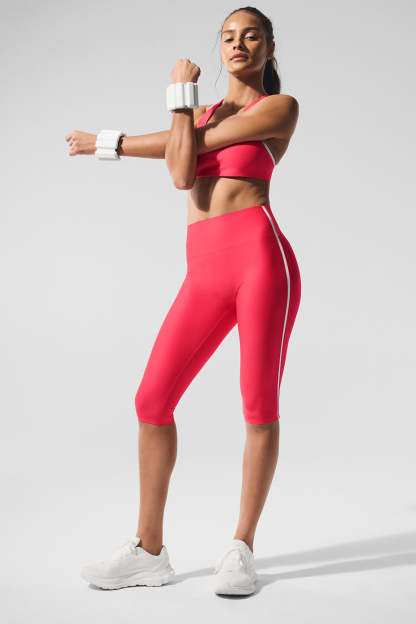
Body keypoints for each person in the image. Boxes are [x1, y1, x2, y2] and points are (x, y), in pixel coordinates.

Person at [66, 6, 301, 596]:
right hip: (204, 270)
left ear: (269, 47)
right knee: (152, 400)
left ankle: (241, 548)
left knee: (258, 404)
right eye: (229, 37)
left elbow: (192, 148)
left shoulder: (278, 107)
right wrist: (121, 136)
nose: (238, 44)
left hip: (260, 261)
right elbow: (179, 169)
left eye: (251, 35)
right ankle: (149, 551)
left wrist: (172, 101)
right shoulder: (196, 114)